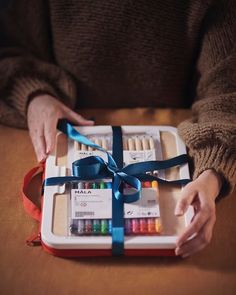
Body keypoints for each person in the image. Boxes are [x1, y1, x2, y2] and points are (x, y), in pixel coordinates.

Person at [0, 0, 235, 258]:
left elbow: (227, 88)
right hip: (66, 131)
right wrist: (34, 94)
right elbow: (7, 47)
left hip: (178, 143)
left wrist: (213, 172)